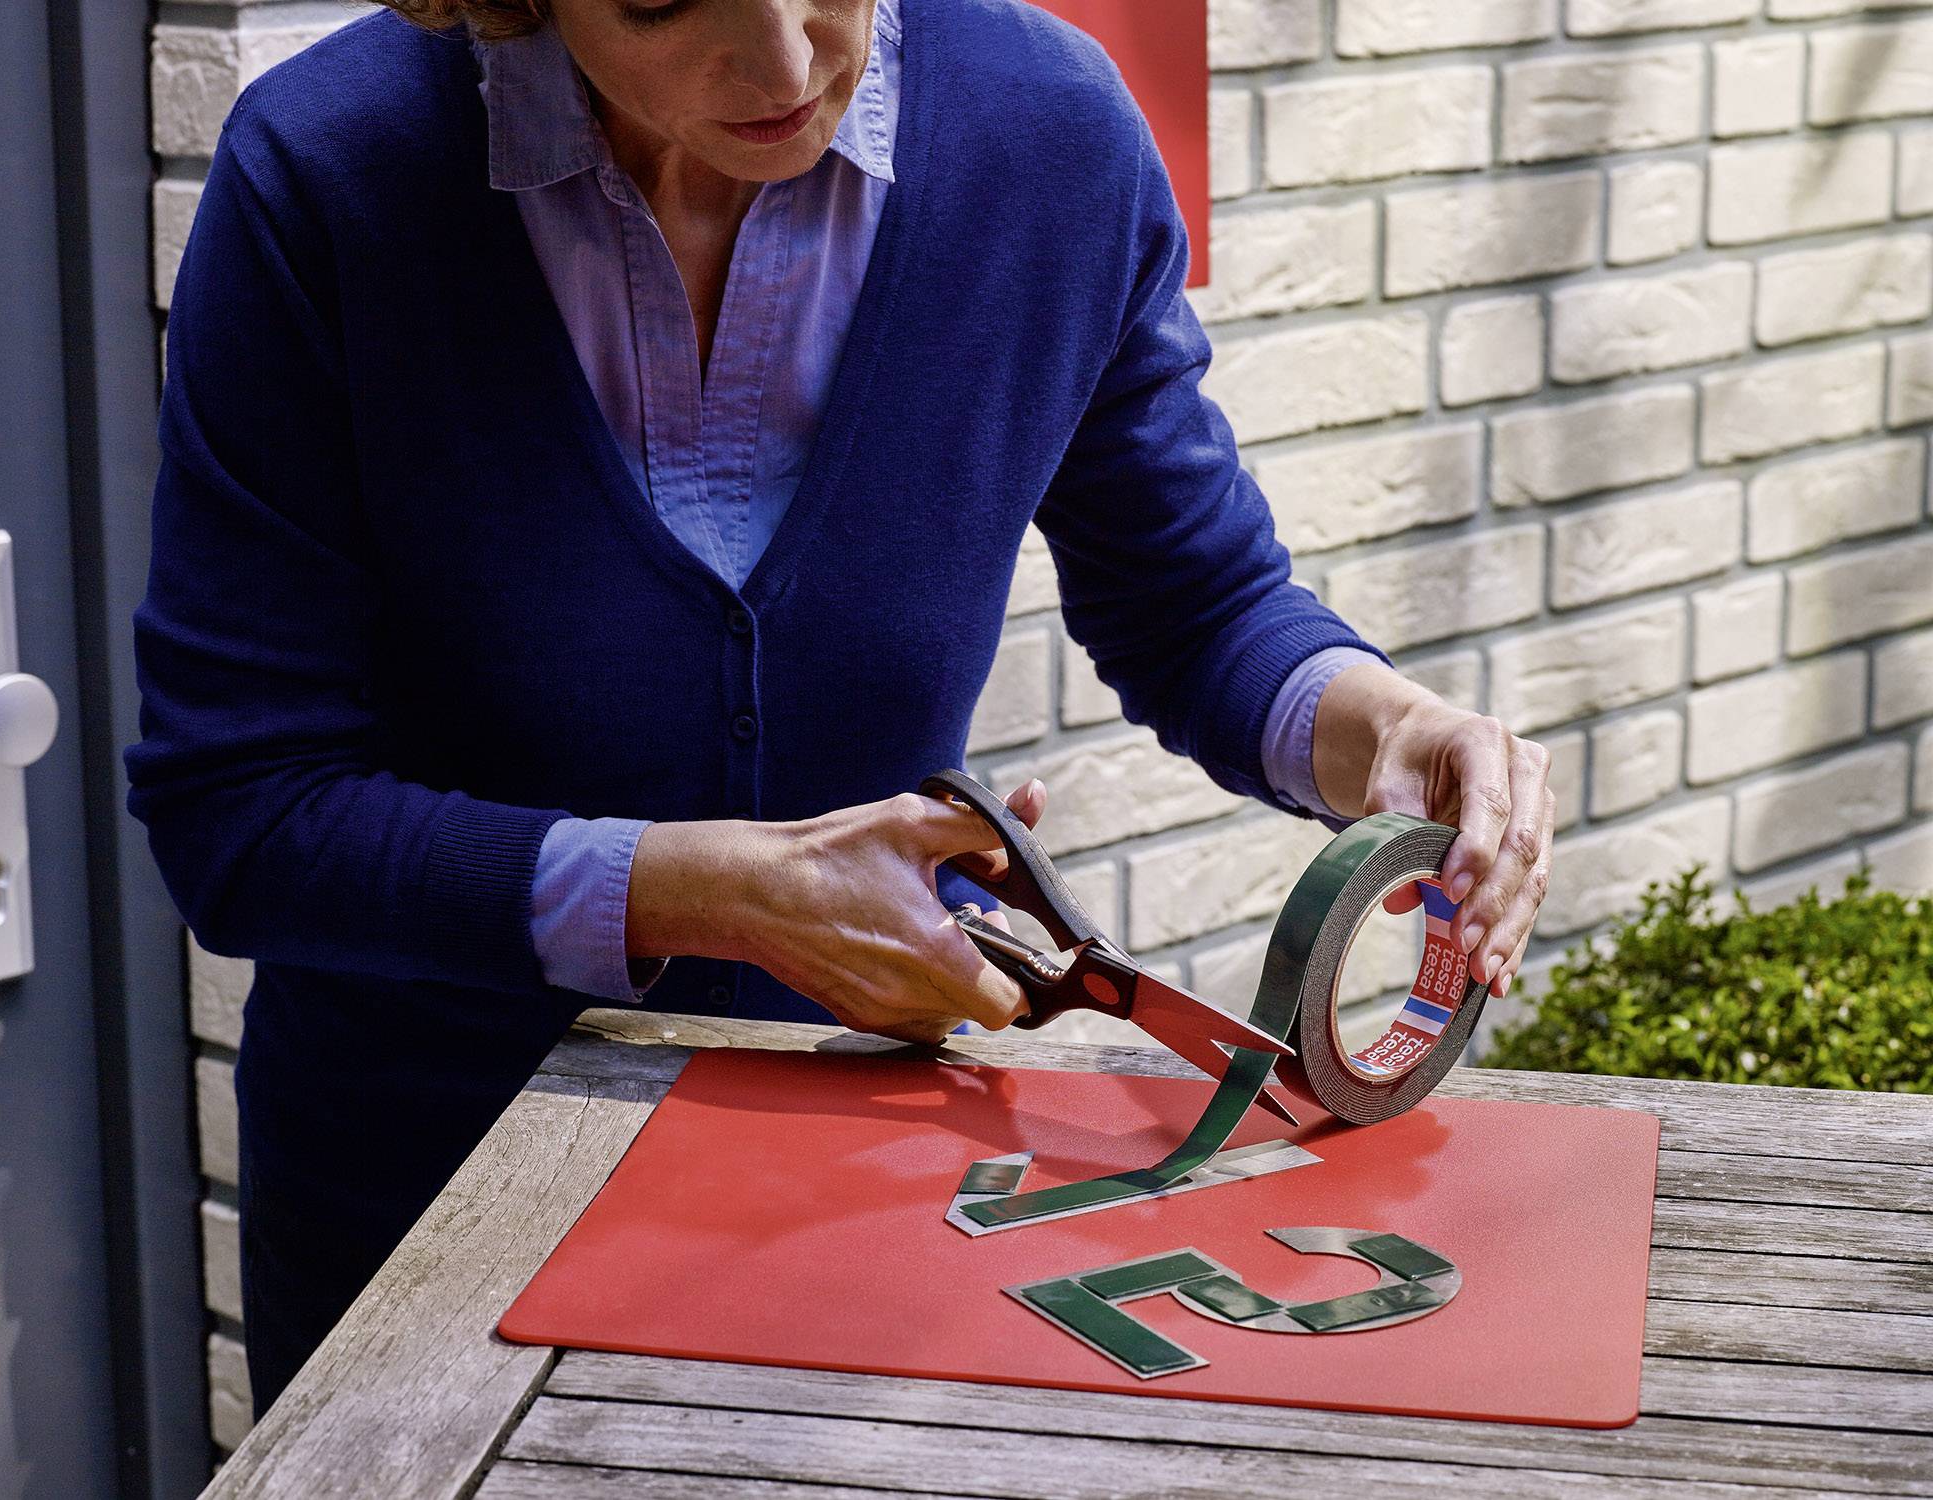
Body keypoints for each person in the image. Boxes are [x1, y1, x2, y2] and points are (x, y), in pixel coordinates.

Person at [126, 0, 1555, 1419]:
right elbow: (242, 815)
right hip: (425, 1232)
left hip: (868, 1227)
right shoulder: (330, 172)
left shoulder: (1046, 137)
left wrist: (1387, 730)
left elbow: (1199, 604)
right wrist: (695, 894)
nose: (789, 63)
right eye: (661, 3)